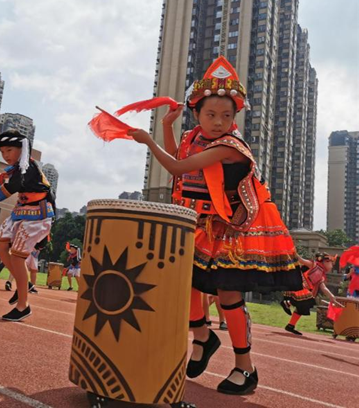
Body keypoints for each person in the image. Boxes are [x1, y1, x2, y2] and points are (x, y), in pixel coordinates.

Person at [128, 56, 303, 396]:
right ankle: (202, 339)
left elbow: (177, 168)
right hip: (200, 225)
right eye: (211, 114)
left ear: (235, 118)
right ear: (196, 113)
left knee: (228, 295)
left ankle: (245, 367)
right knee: (188, 284)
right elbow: (180, 156)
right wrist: (167, 127)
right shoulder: (195, 136)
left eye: (226, 115)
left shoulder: (228, 146)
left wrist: (148, 141)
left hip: (232, 231)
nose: (219, 121)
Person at [0, 129, 55, 321]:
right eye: (2, 152)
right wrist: (1, 176)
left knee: (18, 258)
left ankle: (23, 305)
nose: (5, 155)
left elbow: (2, 194)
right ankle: (23, 283)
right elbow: (11, 176)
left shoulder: (26, 169)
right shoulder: (20, 167)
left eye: (9, 150)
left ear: (22, 149)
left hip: (37, 215)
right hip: (21, 212)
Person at [281, 253, 344, 335]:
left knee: (303, 307)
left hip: (304, 291)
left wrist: (332, 297)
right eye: (331, 263)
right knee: (306, 301)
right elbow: (301, 260)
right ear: (325, 261)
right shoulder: (313, 265)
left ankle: (290, 325)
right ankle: (287, 303)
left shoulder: (321, 275)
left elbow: (323, 288)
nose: (332, 266)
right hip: (297, 286)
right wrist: (292, 252)